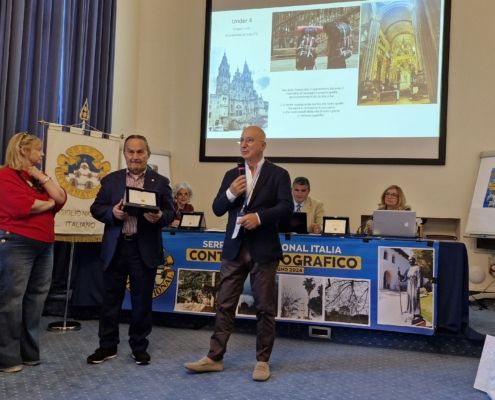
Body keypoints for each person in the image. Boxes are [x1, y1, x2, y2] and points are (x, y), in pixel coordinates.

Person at [184, 126, 292, 381]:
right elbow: (217, 208)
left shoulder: (278, 174)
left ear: (263, 145)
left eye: (250, 140)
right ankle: (214, 358)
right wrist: (231, 192)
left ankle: (262, 361)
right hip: (234, 248)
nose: (244, 144)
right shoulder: (232, 175)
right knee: (224, 304)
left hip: (263, 249)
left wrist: (259, 217)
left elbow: (286, 207)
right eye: (241, 140)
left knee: (264, 308)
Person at [87, 135, 174, 366]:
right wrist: (112, 213)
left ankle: (139, 347)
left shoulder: (160, 182)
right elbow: (96, 208)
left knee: (142, 301)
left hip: (143, 249)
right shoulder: (111, 180)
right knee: (110, 300)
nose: (135, 156)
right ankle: (107, 346)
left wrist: (159, 217)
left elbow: (171, 212)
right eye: (131, 152)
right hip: (115, 248)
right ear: (124, 154)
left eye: (140, 152)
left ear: (148, 154)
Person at [0, 132, 67, 373]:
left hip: (44, 244)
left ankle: (29, 353)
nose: (42, 153)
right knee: (12, 300)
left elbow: (61, 198)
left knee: (36, 299)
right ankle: (7, 358)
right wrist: (48, 203)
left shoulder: (37, 179)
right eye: (38, 149)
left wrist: (41, 177)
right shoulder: (5, 176)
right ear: (23, 150)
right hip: (17, 243)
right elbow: (23, 206)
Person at [397, 256, 425, 326]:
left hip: (415, 285)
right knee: (409, 298)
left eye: (411, 260)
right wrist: (399, 274)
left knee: (414, 298)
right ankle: (409, 311)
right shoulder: (408, 269)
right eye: (409, 260)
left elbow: (419, 278)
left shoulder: (418, 268)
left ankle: (416, 313)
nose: (409, 261)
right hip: (409, 285)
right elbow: (404, 278)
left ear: (414, 260)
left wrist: (418, 287)